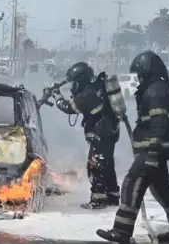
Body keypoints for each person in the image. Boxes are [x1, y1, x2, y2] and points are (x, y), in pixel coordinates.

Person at [96, 50, 169, 244]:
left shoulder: (155, 91)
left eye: (140, 74)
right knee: (162, 189)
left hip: (151, 151)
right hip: (154, 150)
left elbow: (158, 123)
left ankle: (121, 231)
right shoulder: (156, 88)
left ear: (147, 71)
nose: (138, 78)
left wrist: (152, 152)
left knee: (131, 185)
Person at [52, 61, 122, 209]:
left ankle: (98, 200)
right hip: (110, 132)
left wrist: (57, 96)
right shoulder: (97, 87)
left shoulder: (88, 94)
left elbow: (69, 107)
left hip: (101, 134)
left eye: (75, 82)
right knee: (107, 165)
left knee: (95, 166)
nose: (74, 86)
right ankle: (112, 197)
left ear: (81, 79)